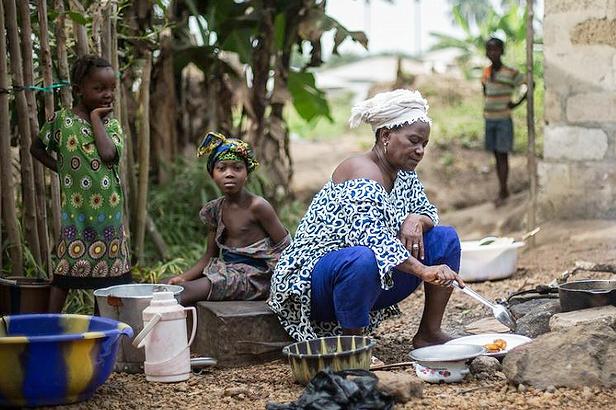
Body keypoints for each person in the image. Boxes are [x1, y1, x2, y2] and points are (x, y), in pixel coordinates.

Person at [268, 89, 465, 348]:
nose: (419, 151)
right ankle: (353, 346)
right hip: (319, 284)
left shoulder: (403, 172)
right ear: (385, 136)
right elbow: (373, 239)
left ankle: (429, 332)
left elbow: (429, 212)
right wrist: (424, 270)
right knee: (363, 257)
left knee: (445, 238)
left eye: (424, 145)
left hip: (369, 279)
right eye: (414, 141)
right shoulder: (362, 171)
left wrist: (416, 218)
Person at [31, 55, 131, 312]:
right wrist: (62, 169)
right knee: (65, 273)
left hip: (109, 214)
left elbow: (109, 154)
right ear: (78, 90)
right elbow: (37, 148)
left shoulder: (113, 125)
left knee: (108, 279)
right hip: (76, 214)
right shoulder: (62, 121)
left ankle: (102, 330)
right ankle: (50, 326)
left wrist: (97, 118)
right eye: (99, 89)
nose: (107, 94)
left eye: (111, 89)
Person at [164, 132, 291, 305]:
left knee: (182, 294)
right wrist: (182, 277)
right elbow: (209, 256)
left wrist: (282, 288)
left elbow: (287, 250)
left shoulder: (258, 207)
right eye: (222, 168)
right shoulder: (214, 210)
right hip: (226, 272)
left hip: (255, 278)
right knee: (168, 287)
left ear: (247, 173)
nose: (229, 174)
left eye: (237, 168)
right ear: (212, 174)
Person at [482, 37, 527, 206]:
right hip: (490, 119)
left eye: (496, 49)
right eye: (489, 49)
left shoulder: (510, 73)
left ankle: (503, 190)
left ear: (502, 51)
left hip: (503, 120)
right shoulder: (486, 72)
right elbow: (485, 91)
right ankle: (503, 189)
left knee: (502, 155)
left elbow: (530, 84)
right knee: (496, 155)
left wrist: (516, 103)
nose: (492, 53)